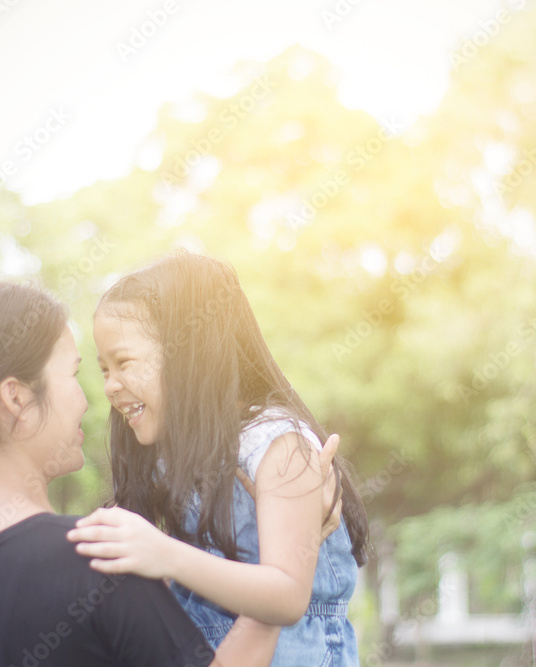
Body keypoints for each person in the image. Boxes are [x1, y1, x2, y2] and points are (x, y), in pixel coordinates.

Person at [0, 276, 286, 667]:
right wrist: (277, 572)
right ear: (16, 398)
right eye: (74, 374)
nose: (93, 398)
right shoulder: (100, 559)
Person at [68, 253, 370, 666]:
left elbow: (286, 596)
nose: (110, 386)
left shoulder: (276, 444)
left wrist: (165, 553)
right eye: (104, 369)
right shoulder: (174, 460)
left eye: (124, 363)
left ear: (188, 353)